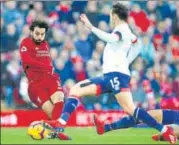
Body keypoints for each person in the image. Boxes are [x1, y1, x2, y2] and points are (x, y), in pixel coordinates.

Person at [44, 3, 177, 144]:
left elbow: (112, 39)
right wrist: (126, 61)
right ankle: (61, 123)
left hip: (117, 76)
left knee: (130, 110)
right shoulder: (127, 32)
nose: (109, 19)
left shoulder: (121, 30)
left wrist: (90, 27)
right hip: (109, 76)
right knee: (75, 89)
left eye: (110, 16)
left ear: (114, 16)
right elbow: (137, 45)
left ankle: (164, 131)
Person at [19, 20, 70, 140]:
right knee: (53, 114)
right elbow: (26, 60)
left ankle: (56, 132)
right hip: (36, 84)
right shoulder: (25, 43)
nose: (40, 36)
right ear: (31, 31)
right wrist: (45, 66)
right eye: (37, 33)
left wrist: (50, 68)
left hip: (50, 78)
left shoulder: (45, 44)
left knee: (60, 99)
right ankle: (53, 131)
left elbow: (48, 62)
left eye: (42, 34)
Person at [93, 109, 179, 141]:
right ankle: (105, 128)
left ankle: (166, 134)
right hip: (176, 115)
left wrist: (160, 137)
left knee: (141, 114)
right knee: (146, 115)